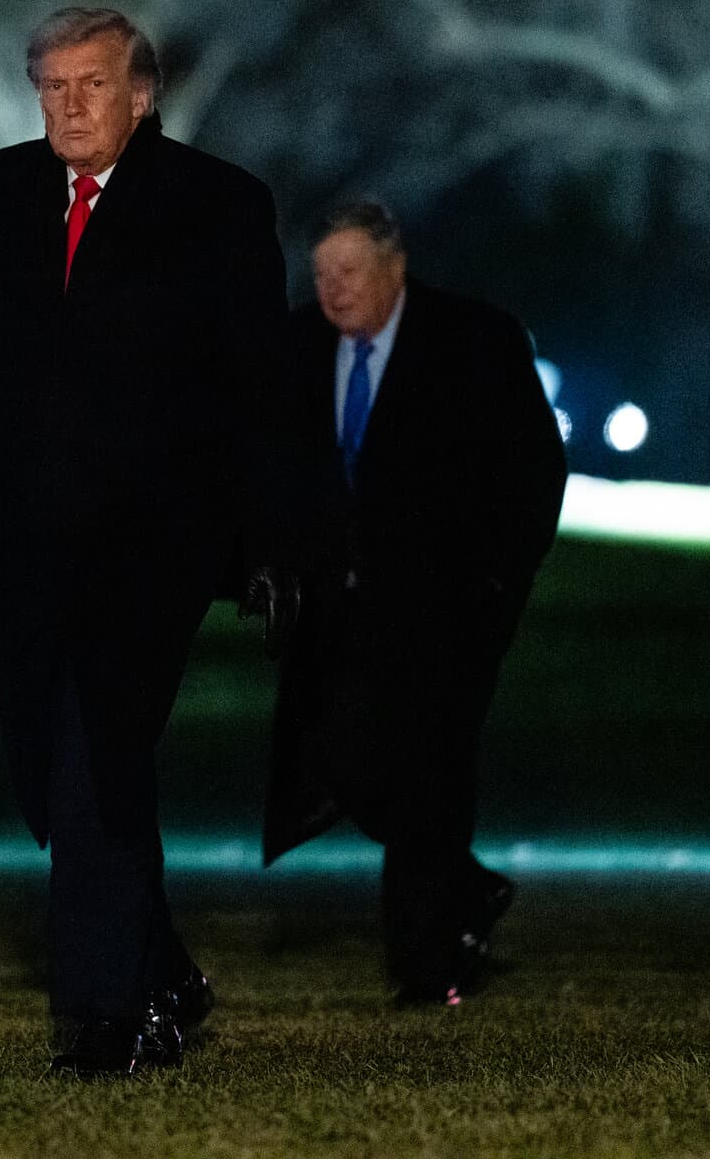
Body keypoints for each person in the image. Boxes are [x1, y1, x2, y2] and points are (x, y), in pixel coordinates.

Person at [0, 6, 301, 1079]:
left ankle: (106, 1019)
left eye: (92, 85)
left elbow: (264, 390)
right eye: (51, 86)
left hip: (159, 539)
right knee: (53, 764)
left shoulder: (217, 207)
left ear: (140, 95)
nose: (68, 105)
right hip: (34, 536)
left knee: (97, 753)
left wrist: (275, 538)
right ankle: (165, 971)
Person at [263, 202, 566, 1006]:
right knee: (349, 762)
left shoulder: (476, 343)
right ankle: (462, 890)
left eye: (349, 272)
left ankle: (427, 965)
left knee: (431, 771)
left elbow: (534, 471)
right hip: (338, 615)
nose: (333, 290)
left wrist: (498, 585)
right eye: (322, 273)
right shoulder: (296, 347)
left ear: (395, 268)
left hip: (447, 612)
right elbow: (270, 471)